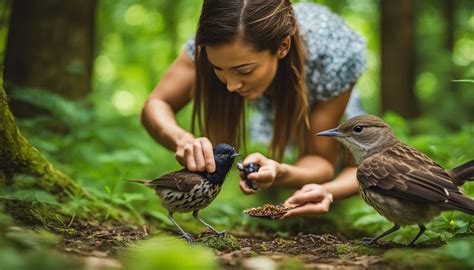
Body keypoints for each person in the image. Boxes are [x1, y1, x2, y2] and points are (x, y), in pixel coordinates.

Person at [141, 0, 366, 219]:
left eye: (244, 70)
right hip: (272, 90)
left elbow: (320, 158)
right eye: (218, 68)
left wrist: (286, 175)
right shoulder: (213, 40)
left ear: (282, 47)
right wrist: (181, 139)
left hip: (317, 86)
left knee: (350, 167)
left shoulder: (332, 54)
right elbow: (156, 104)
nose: (230, 86)